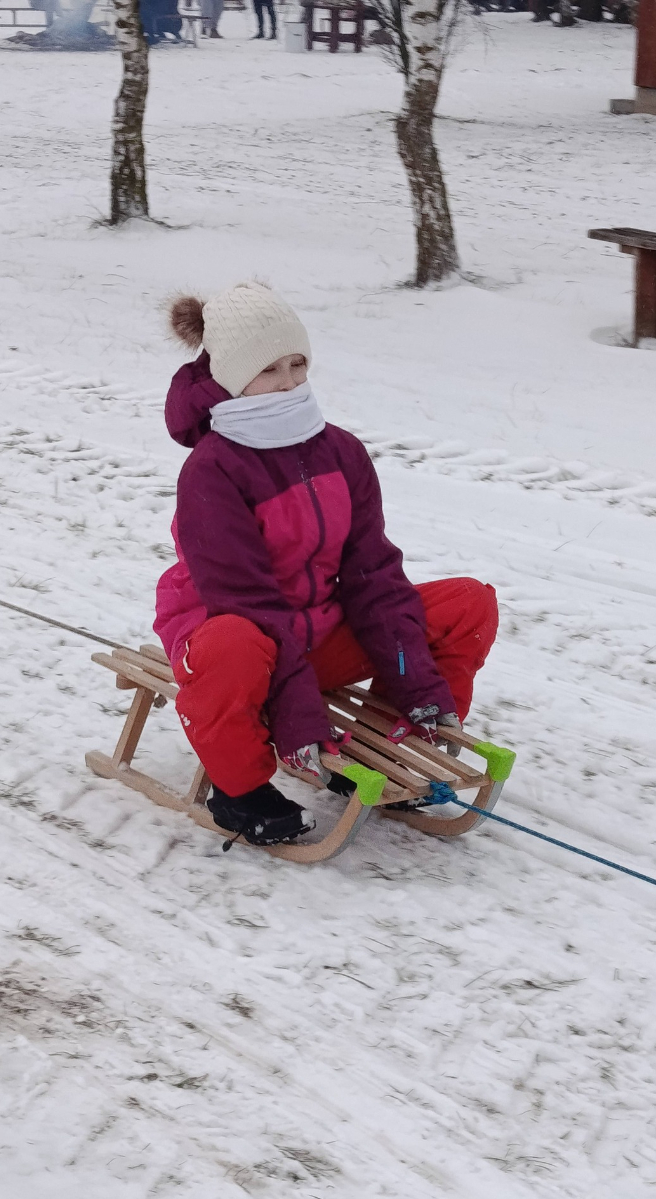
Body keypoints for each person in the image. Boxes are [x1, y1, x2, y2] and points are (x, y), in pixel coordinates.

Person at [154, 282, 498, 847]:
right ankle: (238, 790)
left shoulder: (339, 450)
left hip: (316, 632)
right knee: (234, 644)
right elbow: (248, 606)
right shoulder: (212, 470)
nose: (289, 382)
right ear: (231, 378)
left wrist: (422, 688)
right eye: (268, 370)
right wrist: (297, 719)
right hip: (237, 643)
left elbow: (374, 579)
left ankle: (399, 745)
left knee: (467, 602)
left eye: (297, 364)